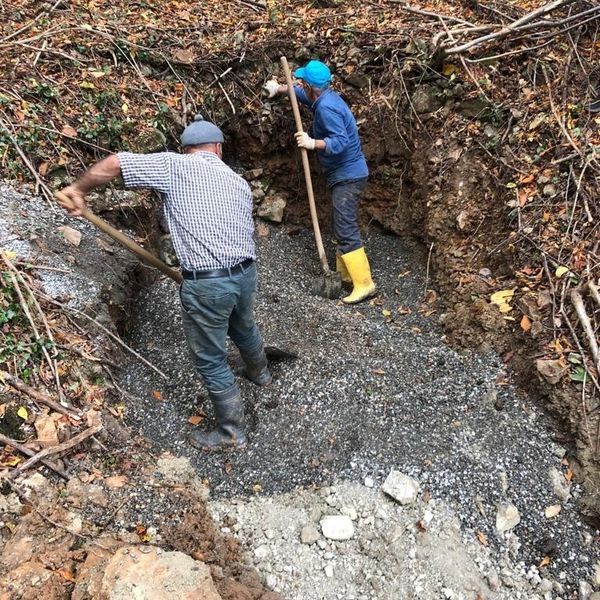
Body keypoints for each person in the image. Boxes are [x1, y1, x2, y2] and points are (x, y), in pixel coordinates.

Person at [56, 115, 271, 452]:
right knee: (243, 324)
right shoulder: (237, 181)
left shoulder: (176, 166)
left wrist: (77, 189)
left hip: (208, 284)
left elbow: (116, 163)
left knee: (211, 359)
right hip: (245, 274)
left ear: (186, 150)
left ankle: (232, 434)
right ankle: (261, 374)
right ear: (218, 148)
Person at [265, 59, 376, 304]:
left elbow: (340, 141)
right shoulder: (324, 98)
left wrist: (312, 143)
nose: (300, 85)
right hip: (345, 174)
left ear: (310, 85)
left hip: (349, 175)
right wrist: (280, 89)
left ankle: (365, 284)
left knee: (345, 226)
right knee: (340, 224)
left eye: (302, 82)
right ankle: (346, 276)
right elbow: (302, 97)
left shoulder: (327, 109)